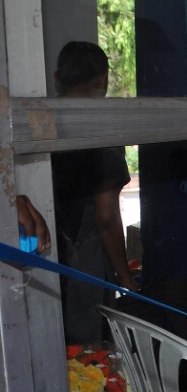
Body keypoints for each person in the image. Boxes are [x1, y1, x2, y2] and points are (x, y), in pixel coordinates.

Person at [51, 42, 139, 345]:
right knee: (88, 354)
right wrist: (125, 277)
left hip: (44, 254)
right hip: (83, 261)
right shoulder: (103, 127)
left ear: (57, 78)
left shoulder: (42, 121)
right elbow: (105, 217)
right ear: (102, 79)